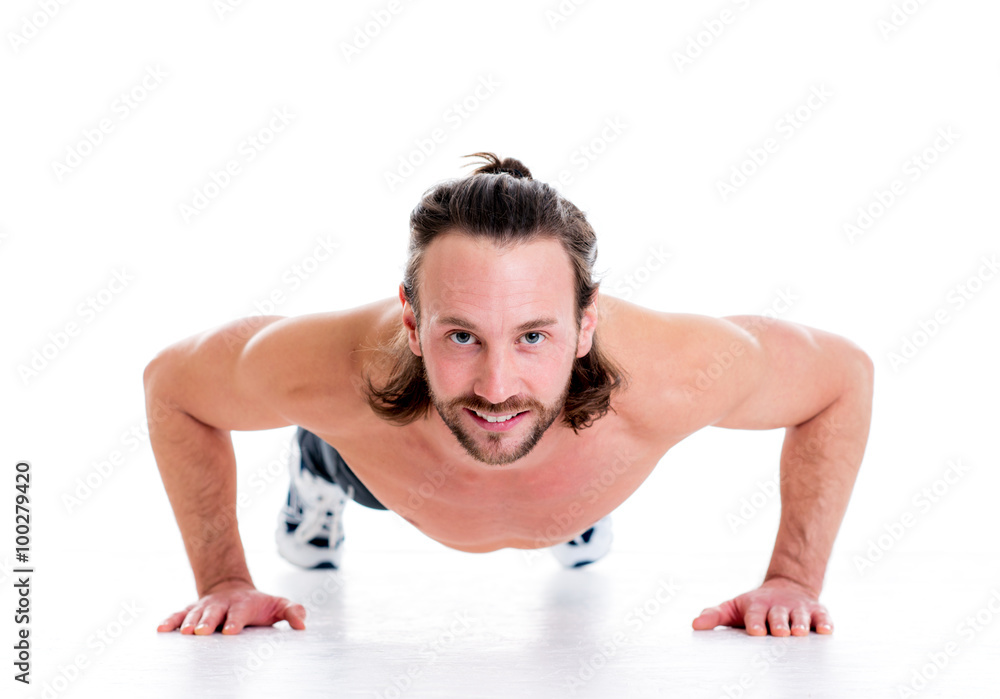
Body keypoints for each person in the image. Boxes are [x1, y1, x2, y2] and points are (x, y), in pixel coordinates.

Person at [145, 152, 874, 638]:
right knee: (344, 436)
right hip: (382, 467)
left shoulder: (677, 371)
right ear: (412, 322)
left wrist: (793, 579)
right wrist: (224, 579)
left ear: (586, 323)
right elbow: (173, 387)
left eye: (532, 336)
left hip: (581, 470)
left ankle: (575, 520)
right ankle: (317, 465)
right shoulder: (328, 371)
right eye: (462, 335)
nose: (495, 387)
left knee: (557, 448)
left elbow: (841, 377)